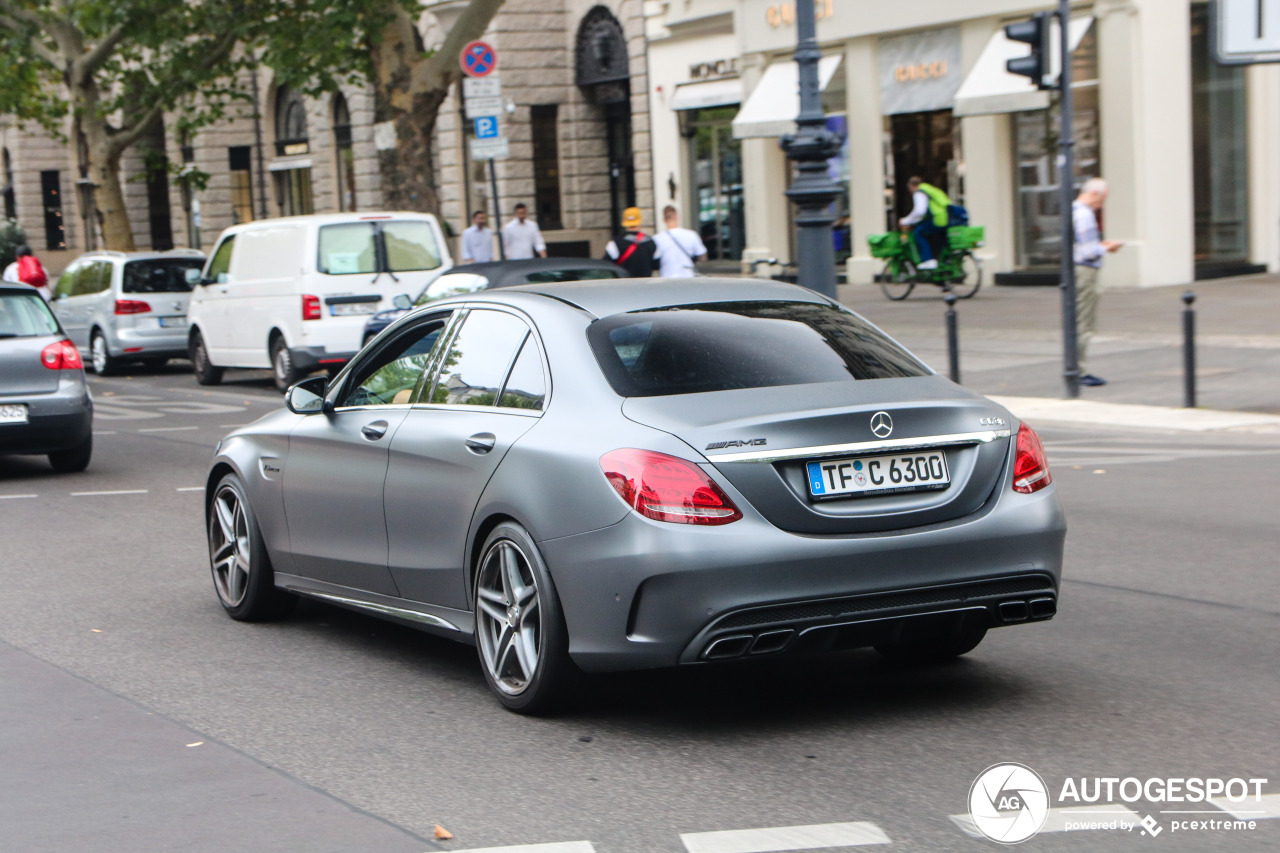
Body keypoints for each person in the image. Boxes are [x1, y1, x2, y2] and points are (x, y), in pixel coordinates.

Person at [1072, 177, 1122, 387]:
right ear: (1093, 193)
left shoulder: (1074, 210)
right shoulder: (1084, 214)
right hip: (1086, 270)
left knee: (1079, 319)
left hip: (1078, 269)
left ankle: (1076, 368)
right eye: (1101, 200)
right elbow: (1088, 251)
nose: (1100, 206)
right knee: (1084, 321)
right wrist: (1108, 247)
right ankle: (1078, 370)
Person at [898, 176, 950, 270]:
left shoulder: (919, 192)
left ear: (911, 186)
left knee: (918, 232)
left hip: (937, 219)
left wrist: (906, 220)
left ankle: (928, 260)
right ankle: (944, 263)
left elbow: (920, 211)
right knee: (939, 239)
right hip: (945, 219)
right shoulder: (929, 189)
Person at [652, 205, 706, 278]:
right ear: (677, 217)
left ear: (663, 219)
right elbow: (702, 257)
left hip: (667, 277)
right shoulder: (691, 235)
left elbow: (654, 259)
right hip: (688, 276)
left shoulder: (657, 238)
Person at [604, 207, 659, 277]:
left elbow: (607, 265)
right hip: (645, 285)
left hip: (624, 285)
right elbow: (656, 265)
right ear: (640, 222)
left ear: (624, 222)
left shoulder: (614, 244)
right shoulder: (651, 242)